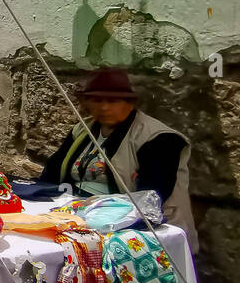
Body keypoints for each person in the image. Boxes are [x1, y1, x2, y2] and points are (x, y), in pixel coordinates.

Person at [39, 68, 197, 249]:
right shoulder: (83, 130)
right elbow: (52, 172)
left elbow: (151, 198)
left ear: (130, 103)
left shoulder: (159, 138)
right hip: (81, 215)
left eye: (113, 101)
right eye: (97, 100)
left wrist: (92, 208)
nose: (104, 107)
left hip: (139, 226)